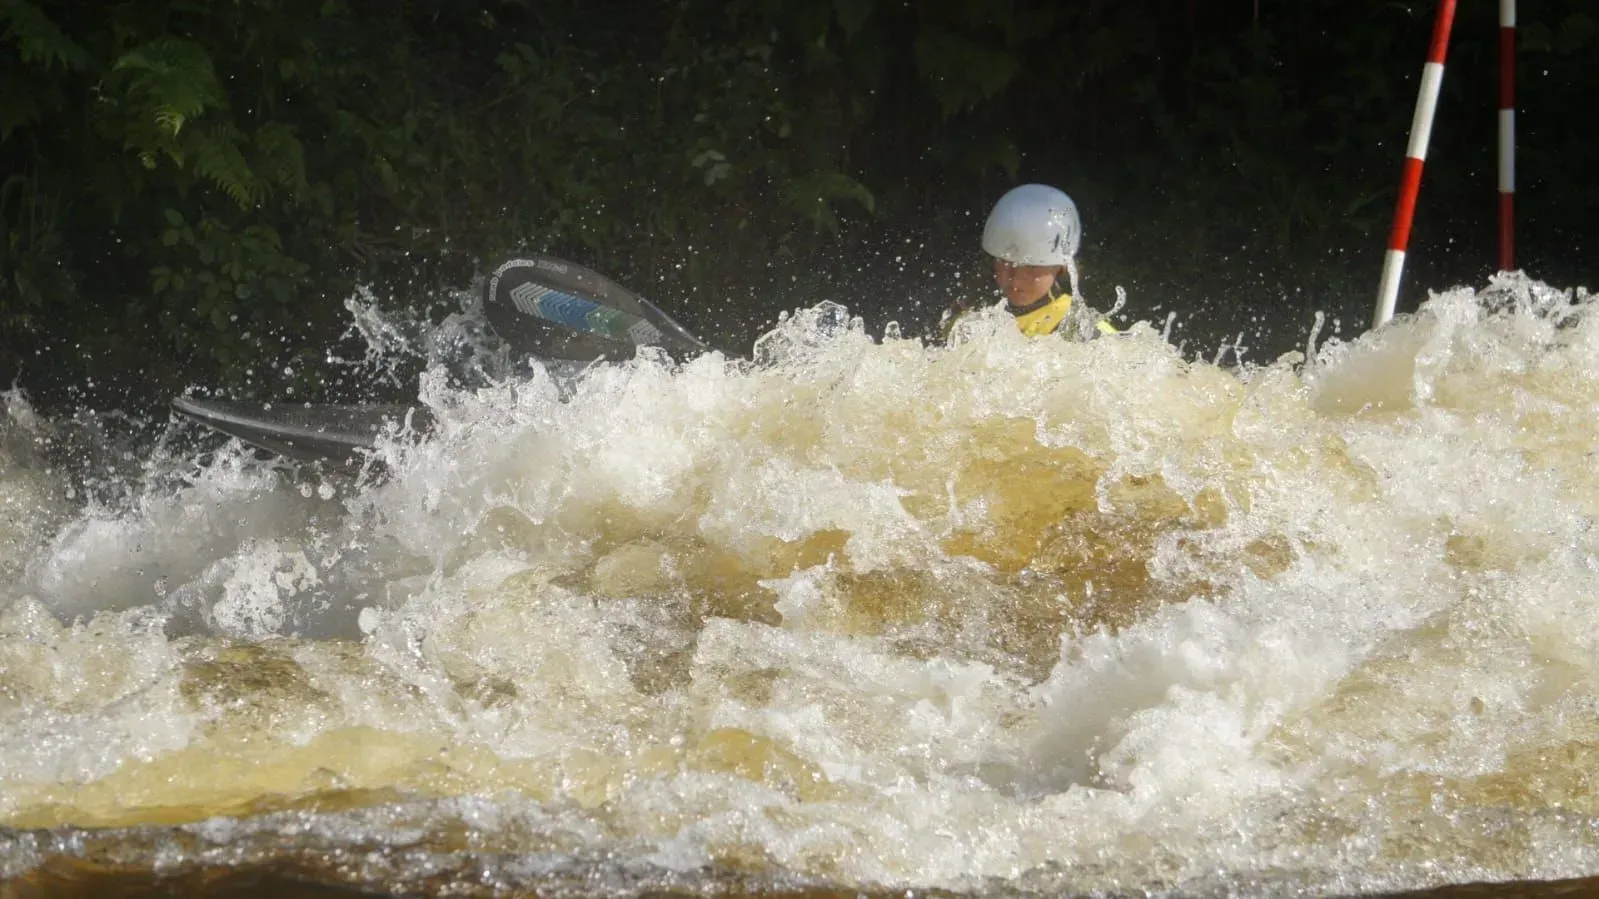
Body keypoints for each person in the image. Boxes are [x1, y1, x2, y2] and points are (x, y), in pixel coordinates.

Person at [941, 183, 1118, 342]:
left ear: (1061, 267)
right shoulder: (969, 320)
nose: (1016, 278)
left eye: (1032, 266)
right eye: (1006, 262)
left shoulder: (1085, 330)